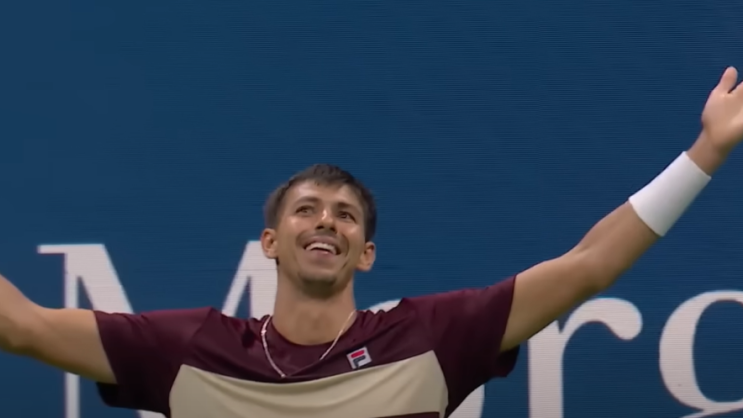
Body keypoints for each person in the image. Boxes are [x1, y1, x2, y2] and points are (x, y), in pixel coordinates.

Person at [1, 68, 743, 418]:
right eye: (307, 210)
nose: (326, 221)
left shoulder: (431, 338)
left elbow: (589, 265)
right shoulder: (188, 350)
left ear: (366, 254)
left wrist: (705, 153)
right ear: (270, 242)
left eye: (346, 216)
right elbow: (22, 325)